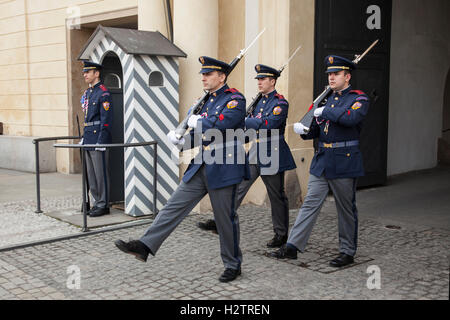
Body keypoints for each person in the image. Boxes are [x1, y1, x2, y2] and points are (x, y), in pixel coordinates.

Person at [114, 56, 248, 282]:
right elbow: (199, 135)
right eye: (203, 74)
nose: (203, 77)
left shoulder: (235, 99)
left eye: (208, 74)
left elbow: (224, 124)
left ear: (222, 76)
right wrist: (182, 143)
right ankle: (145, 245)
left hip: (226, 166)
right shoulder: (203, 101)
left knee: (225, 219)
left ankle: (233, 264)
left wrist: (200, 122)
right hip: (202, 163)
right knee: (173, 205)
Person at [270, 55, 370, 267]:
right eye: (330, 74)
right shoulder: (326, 98)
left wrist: (325, 111)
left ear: (347, 76)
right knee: (310, 203)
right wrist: (305, 131)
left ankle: (347, 251)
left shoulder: (358, 98)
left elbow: (350, 118)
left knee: (345, 208)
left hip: (345, 161)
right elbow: (319, 128)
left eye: (336, 74)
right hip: (322, 159)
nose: (331, 78)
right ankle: (293, 246)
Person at [197, 64, 297, 248]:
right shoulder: (257, 102)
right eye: (258, 79)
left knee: (276, 195)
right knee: (239, 188)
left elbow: (269, 124)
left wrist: (244, 121)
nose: (259, 82)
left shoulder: (280, 103)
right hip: (254, 151)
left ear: (272, 81)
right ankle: (221, 222)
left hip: (272, 151)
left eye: (262, 79)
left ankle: (281, 234)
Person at [80, 61, 113, 217]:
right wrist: (83, 138)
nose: (85, 75)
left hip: (98, 137)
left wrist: (102, 140)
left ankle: (103, 204)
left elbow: (106, 119)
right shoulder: (88, 93)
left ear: (97, 73)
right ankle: (95, 202)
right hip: (88, 137)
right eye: (84, 72)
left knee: (100, 174)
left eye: (88, 72)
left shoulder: (103, 93)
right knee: (91, 174)